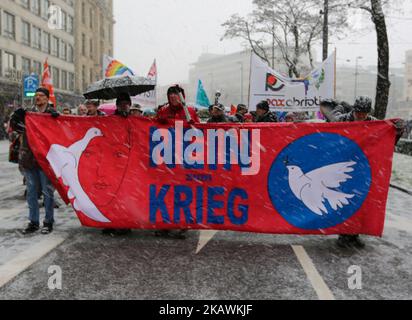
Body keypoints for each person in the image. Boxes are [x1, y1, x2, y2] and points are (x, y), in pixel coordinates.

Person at [10, 88, 59, 235]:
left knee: (47, 192)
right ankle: (33, 222)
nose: (38, 98)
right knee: (31, 192)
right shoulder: (28, 113)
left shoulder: (52, 114)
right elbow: (16, 127)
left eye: (41, 95)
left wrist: (57, 119)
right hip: (29, 158)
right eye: (36, 95)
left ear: (46, 98)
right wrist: (15, 118)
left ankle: (48, 221)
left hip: (45, 159)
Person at [155, 85, 200, 239]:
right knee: (166, 192)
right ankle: (165, 223)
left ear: (181, 96)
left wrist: (194, 125)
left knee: (183, 192)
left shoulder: (190, 112)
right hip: (167, 159)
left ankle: (183, 223)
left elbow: (201, 134)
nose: (173, 96)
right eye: (170, 94)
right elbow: (153, 129)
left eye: (176, 94)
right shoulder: (163, 112)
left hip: (185, 159)